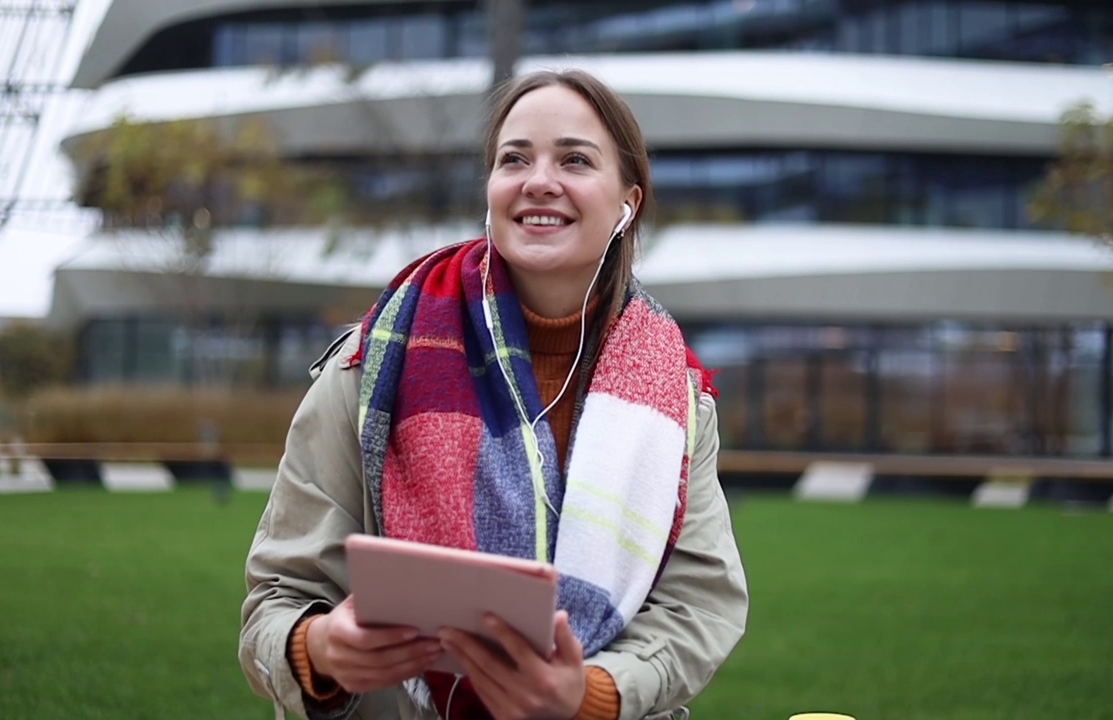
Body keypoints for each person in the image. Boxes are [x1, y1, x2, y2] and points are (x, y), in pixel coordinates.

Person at [238, 68, 749, 720]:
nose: (539, 179)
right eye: (515, 159)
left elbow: (696, 605)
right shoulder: (370, 367)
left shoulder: (676, 402)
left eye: (574, 159)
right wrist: (319, 650)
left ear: (627, 203)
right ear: (491, 190)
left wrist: (588, 695)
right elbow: (275, 601)